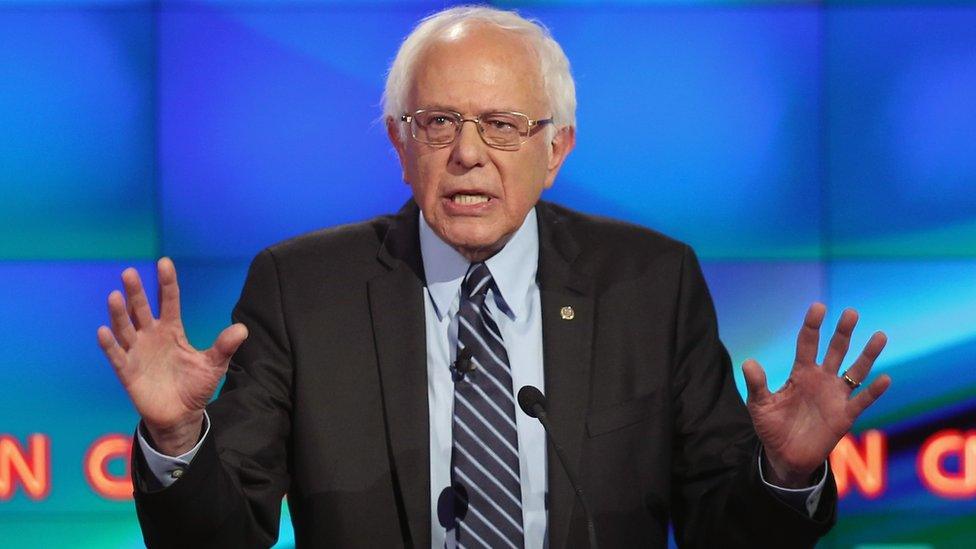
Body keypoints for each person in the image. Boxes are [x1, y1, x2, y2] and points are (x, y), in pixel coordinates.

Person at [97, 6, 891, 548]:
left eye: (504, 126)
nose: (467, 153)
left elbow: (728, 531)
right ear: (398, 144)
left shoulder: (651, 284)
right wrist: (175, 439)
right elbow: (222, 535)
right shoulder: (301, 291)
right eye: (438, 123)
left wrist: (785, 472)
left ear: (558, 149)